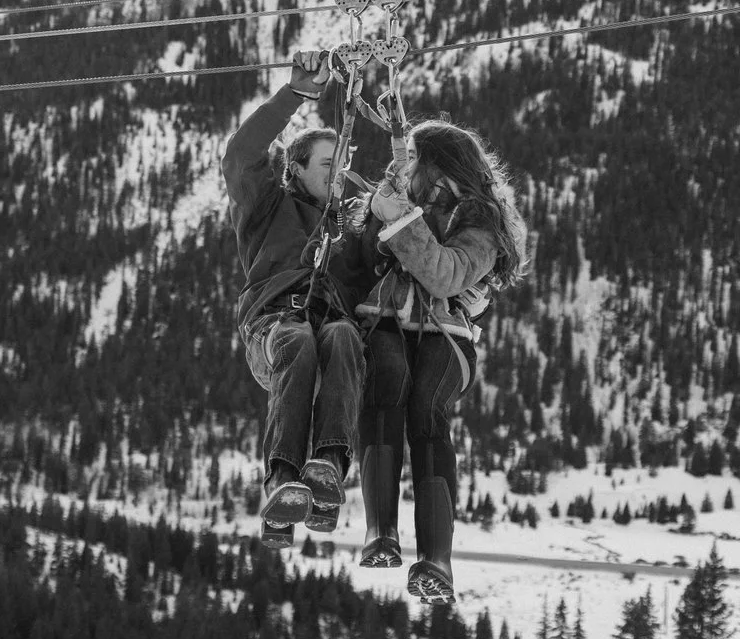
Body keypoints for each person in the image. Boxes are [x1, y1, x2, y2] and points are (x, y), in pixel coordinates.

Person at [350, 118, 533, 603]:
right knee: (385, 390)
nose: (406, 166)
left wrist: (400, 221)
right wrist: (380, 215)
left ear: (437, 165)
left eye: (414, 158)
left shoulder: (481, 221)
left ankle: (436, 558)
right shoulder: (401, 200)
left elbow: (445, 276)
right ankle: (381, 531)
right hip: (387, 319)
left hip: (445, 333)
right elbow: (367, 259)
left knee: (425, 413)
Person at [223, 50, 367, 547]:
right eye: (327, 163)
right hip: (274, 327)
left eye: (342, 164)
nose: (338, 172)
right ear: (297, 169)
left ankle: (327, 468)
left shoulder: (348, 231)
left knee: (343, 334)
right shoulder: (268, 207)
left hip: (329, 333)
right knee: (297, 338)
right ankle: (281, 478)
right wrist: (295, 95)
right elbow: (240, 155)